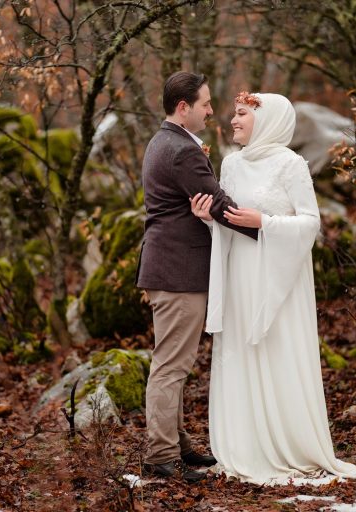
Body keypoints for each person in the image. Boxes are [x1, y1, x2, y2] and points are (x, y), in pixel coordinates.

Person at [190, 91, 356, 485]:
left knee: (276, 349)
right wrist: (208, 220)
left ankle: (288, 441)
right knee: (242, 351)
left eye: (242, 114)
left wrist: (265, 223)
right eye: (235, 114)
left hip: (278, 278)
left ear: (267, 121)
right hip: (240, 276)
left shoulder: (291, 165)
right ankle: (244, 444)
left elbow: (310, 223)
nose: (233, 121)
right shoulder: (231, 164)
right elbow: (229, 222)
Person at [135, 72, 259, 483]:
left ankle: (178, 444)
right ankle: (160, 455)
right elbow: (219, 204)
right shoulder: (181, 151)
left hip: (167, 267)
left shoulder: (163, 141)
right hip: (178, 272)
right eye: (205, 103)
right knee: (171, 365)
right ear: (183, 107)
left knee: (175, 362)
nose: (211, 110)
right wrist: (267, 230)